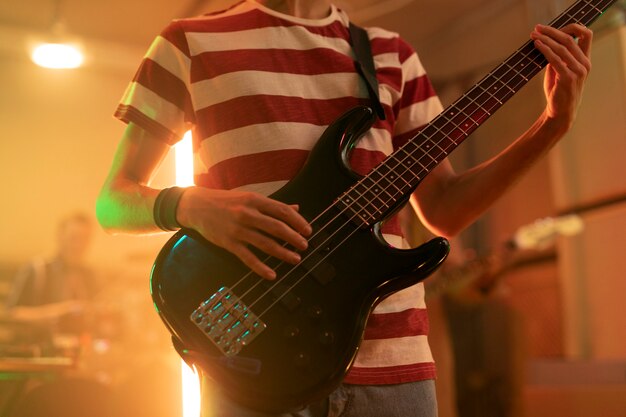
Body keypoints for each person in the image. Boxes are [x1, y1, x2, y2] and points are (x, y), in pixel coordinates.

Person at [95, 0, 593, 415]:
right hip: (256, 360)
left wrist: (551, 126)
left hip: (395, 369)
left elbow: (444, 210)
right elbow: (114, 202)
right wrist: (193, 206)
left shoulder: (390, 55)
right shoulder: (188, 42)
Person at [4, 212, 98, 356]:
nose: (78, 245)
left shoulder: (90, 276)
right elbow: (12, 315)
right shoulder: (37, 271)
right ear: (60, 236)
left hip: (78, 361)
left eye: (84, 239)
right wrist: (61, 313)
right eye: (73, 238)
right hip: (39, 358)